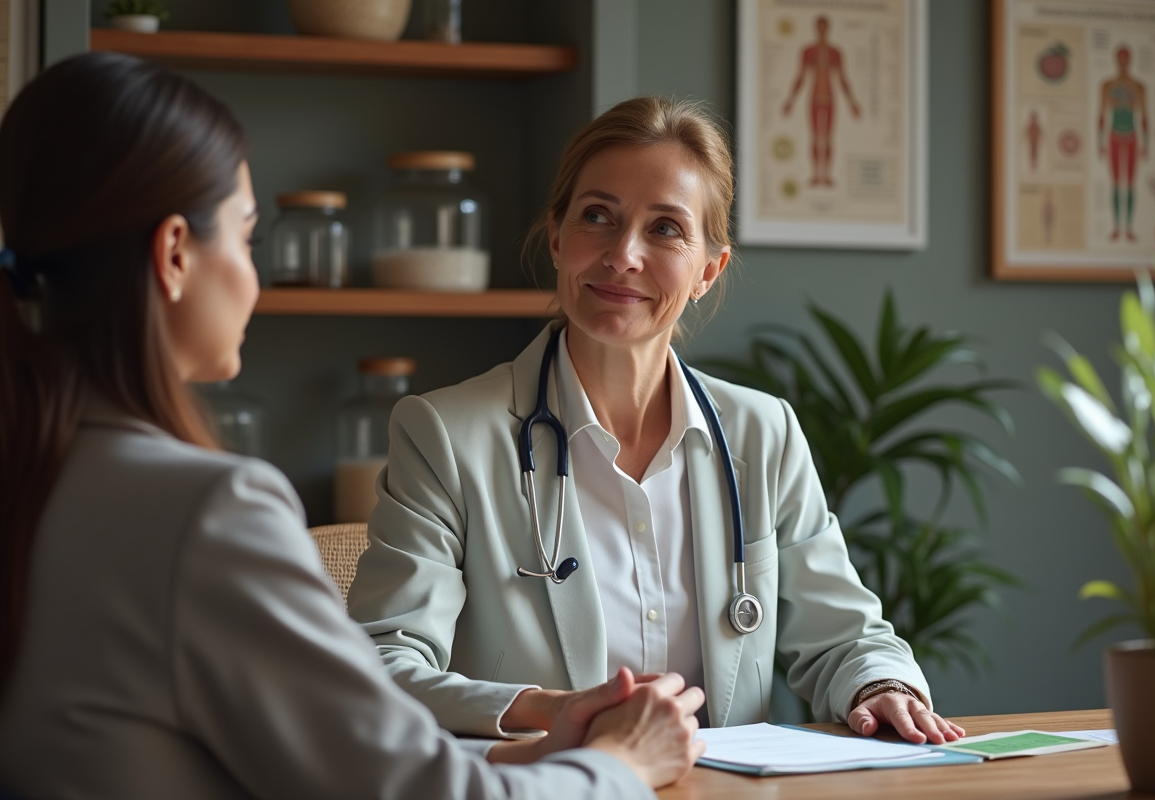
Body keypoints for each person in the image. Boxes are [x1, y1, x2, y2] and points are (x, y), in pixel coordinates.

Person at [0, 54, 704, 799]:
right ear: (175, 253)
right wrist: (622, 764)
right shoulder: (208, 513)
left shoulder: (36, 470)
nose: (255, 277)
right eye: (248, 239)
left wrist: (532, 756)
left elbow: (340, 768)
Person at [349, 96, 965, 759]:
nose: (623, 255)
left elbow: (845, 635)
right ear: (556, 238)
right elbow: (378, 665)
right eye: (597, 218)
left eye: (665, 229)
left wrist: (880, 686)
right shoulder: (444, 434)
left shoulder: (764, 434)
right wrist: (553, 711)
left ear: (708, 269)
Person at [780, 15, 860, 187]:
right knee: (815, 138)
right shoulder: (808, 51)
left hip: (830, 99)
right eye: (819, 27)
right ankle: (816, 174)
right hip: (814, 99)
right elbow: (800, 77)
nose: (822, 30)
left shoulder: (835, 52)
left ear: (827, 28)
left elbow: (842, 79)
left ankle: (827, 175)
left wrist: (852, 102)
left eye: (824, 27)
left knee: (828, 138)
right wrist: (790, 101)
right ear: (816, 28)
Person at [1097, 45, 1148, 242]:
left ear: (1131, 60)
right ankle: (1117, 227)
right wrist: (1100, 142)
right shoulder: (1107, 85)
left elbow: (1144, 116)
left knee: (1132, 184)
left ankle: (1130, 228)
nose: (1123, 63)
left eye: (1126, 59)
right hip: (1114, 137)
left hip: (1133, 136)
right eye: (1120, 59)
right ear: (1116, 60)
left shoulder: (1139, 86)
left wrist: (1147, 143)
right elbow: (1102, 115)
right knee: (1117, 184)